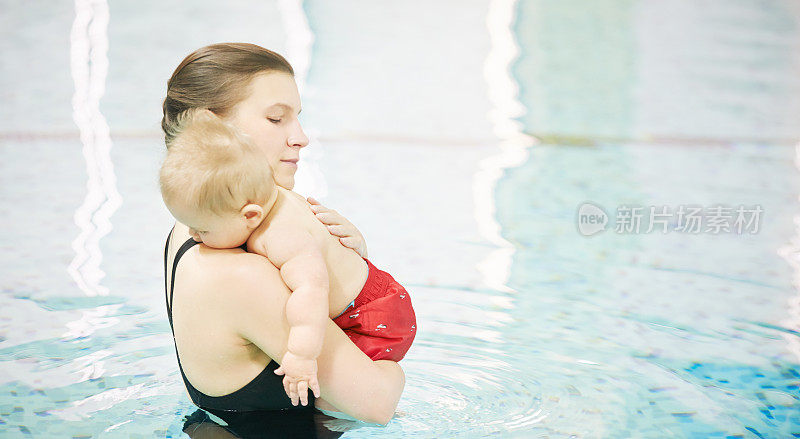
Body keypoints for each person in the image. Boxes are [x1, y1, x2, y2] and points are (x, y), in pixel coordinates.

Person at [161, 42, 409, 425]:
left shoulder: (195, 227)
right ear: (209, 128)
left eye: (297, 118)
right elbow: (376, 405)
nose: (301, 137)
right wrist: (393, 372)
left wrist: (349, 254)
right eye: (277, 119)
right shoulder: (238, 275)